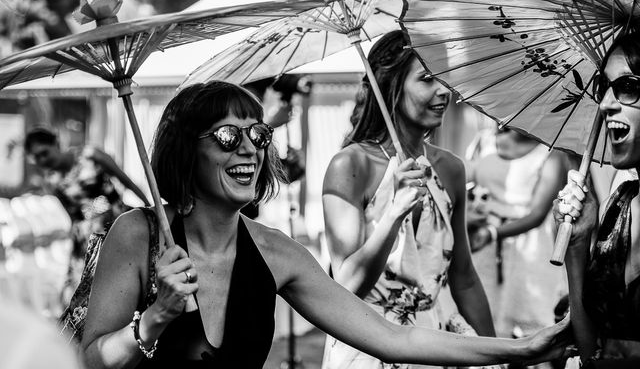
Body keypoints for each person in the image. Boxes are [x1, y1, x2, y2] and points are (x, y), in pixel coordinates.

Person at [80, 79, 569, 368]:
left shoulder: (277, 252)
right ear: (187, 150)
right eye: (228, 136)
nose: (249, 147)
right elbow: (89, 360)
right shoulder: (138, 235)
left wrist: (523, 346)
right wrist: (156, 317)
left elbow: (394, 338)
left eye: (258, 133)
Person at [321, 30, 498, 369]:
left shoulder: (450, 168)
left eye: (444, 78)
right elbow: (344, 288)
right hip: (367, 346)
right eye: (427, 79)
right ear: (392, 87)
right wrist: (393, 213)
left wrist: (500, 355)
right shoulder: (351, 165)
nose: (443, 90)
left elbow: (464, 276)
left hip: (433, 344)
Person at [556, 32, 640, 367]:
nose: (606, 103)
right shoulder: (620, 201)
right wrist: (577, 246)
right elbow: (590, 350)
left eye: (629, 86)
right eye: (602, 87)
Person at [466, 126, 569, 340]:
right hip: (481, 241)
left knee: (531, 327)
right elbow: (467, 183)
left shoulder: (551, 152)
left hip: (528, 245)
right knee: (483, 319)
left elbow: (538, 213)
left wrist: (493, 233)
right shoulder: (484, 139)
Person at [24, 126, 150, 300]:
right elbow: (72, 215)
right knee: (82, 292)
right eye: (36, 158)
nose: (42, 160)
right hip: (86, 237)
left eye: (44, 153)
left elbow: (125, 180)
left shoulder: (90, 155)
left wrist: (150, 207)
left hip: (117, 221)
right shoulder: (51, 181)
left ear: (55, 144)